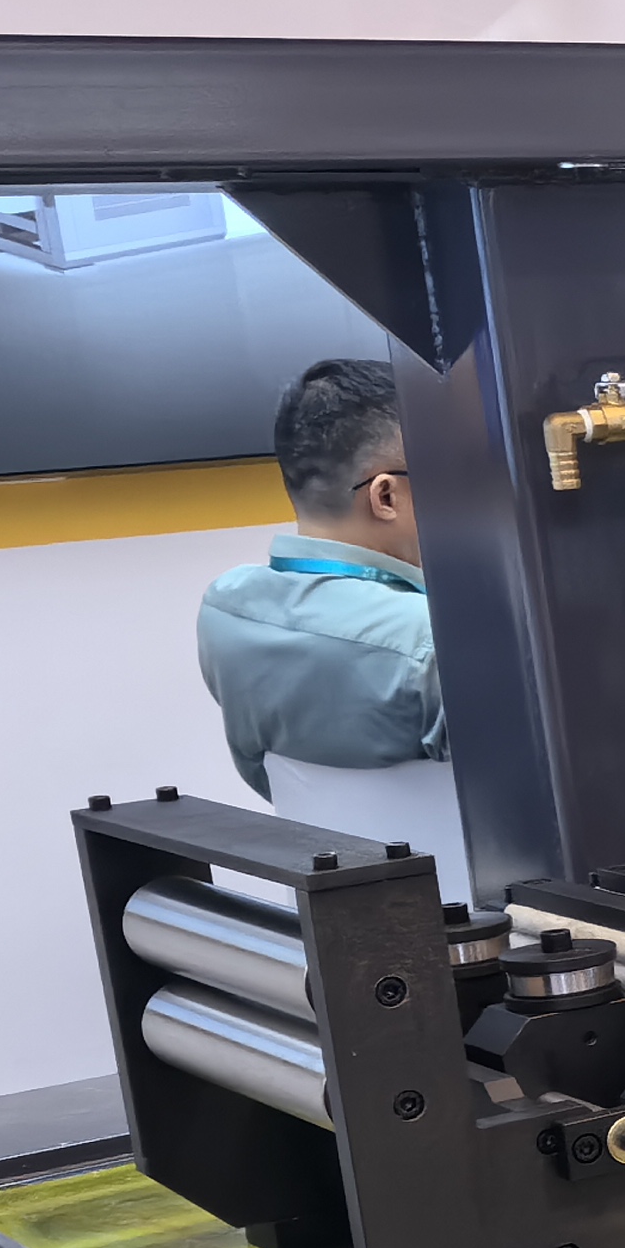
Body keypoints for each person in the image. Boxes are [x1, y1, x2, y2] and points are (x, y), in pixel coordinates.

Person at [198, 360, 464, 888]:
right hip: (484, 916)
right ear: (385, 496)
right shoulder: (439, 640)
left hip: (332, 904)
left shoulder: (224, 610)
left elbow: (265, 777)